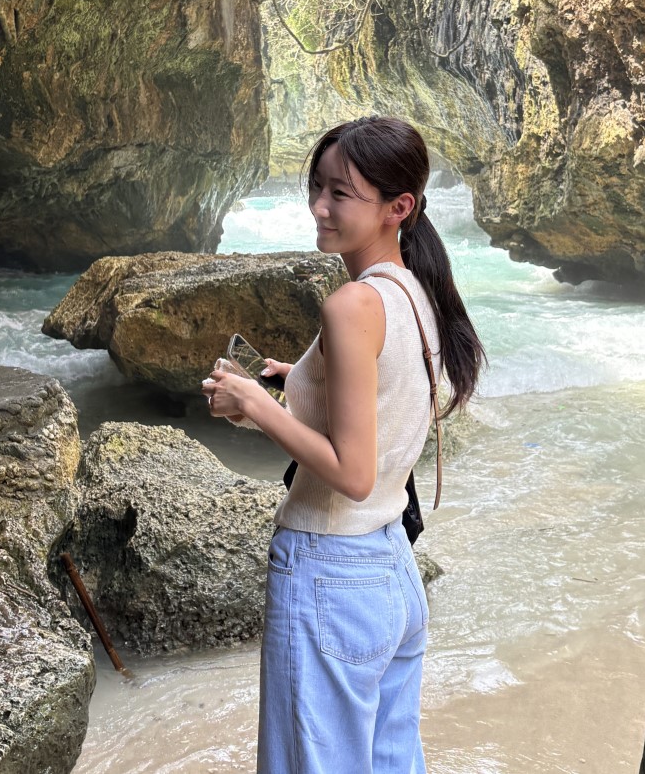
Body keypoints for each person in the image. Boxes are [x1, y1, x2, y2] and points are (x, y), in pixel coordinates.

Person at [202, 115, 484, 774]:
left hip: (331, 570)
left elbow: (353, 472)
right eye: (316, 186)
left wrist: (253, 405)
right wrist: (291, 384)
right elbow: (382, 405)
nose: (318, 207)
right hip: (391, 572)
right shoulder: (415, 291)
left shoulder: (352, 305)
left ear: (398, 207)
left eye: (340, 193)